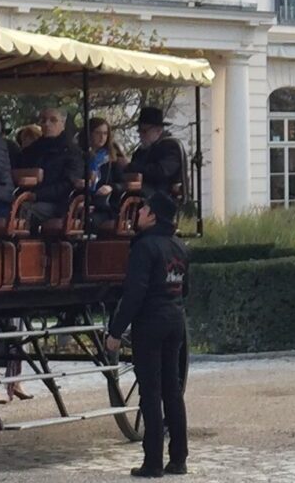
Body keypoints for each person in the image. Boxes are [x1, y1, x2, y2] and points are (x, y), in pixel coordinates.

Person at [108, 190, 190, 478]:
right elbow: (185, 289)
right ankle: (178, 458)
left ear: (153, 215)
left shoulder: (144, 247)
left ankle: (153, 462)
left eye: (142, 209)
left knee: (151, 393)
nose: (138, 213)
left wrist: (116, 330)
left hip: (151, 324)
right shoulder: (179, 247)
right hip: (175, 320)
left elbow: (134, 294)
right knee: (173, 389)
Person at [131, 106, 189, 203]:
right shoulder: (140, 151)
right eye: (139, 131)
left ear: (159, 130)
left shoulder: (171, 146)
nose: (140, 134)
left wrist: (133, 167)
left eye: (144, 131)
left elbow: (161, 171)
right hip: (142, 197)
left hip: (164, 198)